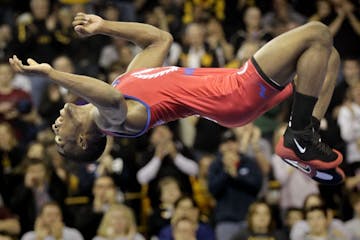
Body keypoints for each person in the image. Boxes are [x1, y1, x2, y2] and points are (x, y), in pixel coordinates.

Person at [9, 12, 344, 184]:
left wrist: (104, 26)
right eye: (60, 137)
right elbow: (106, 96)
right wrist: (52, 74)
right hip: (235, 93)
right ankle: (299, 133)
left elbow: (159, 40)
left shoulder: (125, 82)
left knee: (327, 59)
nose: (54, 126)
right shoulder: (113, 121)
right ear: (83, 139)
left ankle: (299, 142)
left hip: (232, 90)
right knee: (316, 33)